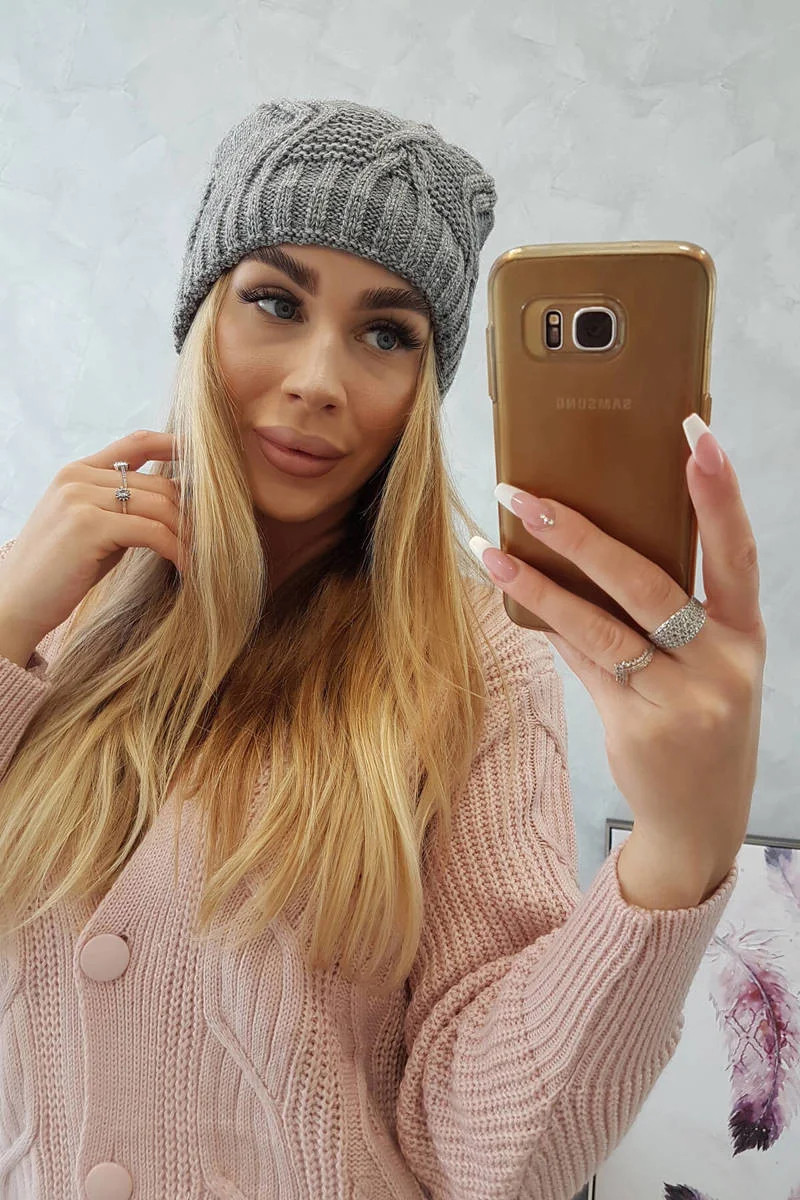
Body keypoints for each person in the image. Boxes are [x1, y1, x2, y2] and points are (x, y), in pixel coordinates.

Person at [0, 98, 760, 1200]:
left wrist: (676, 851)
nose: (319, 378)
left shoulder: (475, 669)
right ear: (201, 316)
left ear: (424, 389)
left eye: (386, 333)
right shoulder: (55, 611)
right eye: (275, 301)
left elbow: (484, 1153)